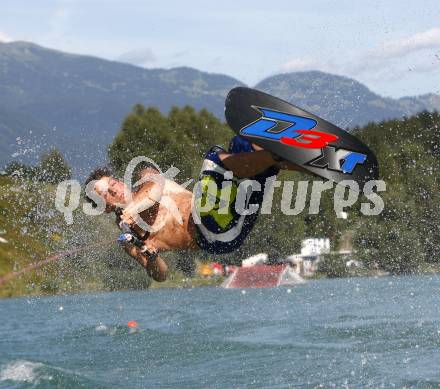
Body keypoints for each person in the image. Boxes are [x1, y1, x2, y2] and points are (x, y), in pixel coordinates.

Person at [84, 135, 304, 282]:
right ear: (104, 208)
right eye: (106, 195)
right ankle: (281, 154)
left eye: (113, 185)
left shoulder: (145, 177)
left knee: (243, 146)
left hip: (232, 217)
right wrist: (150, 256)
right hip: (215, 235)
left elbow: (156, 186)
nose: (115, 191)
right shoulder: (131, 237)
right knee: (215, 157)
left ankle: (311, 160)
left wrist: (132, 209)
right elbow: (160, 275)